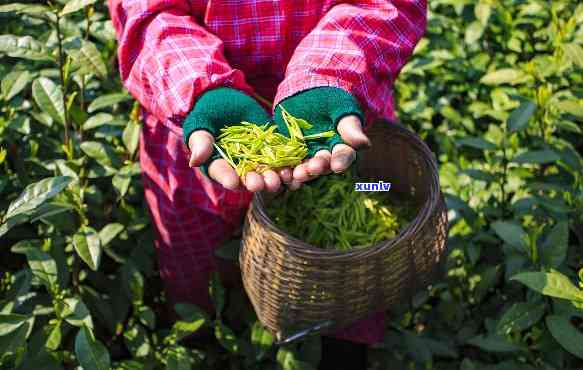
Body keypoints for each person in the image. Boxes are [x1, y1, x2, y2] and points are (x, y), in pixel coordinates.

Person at [108, 1, 426, 368]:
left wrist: (328, 77)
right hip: (197, 133)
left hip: (336, 122)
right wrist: (205, 91)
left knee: (363, 230)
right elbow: (147, 14)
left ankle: (343, 347)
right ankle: (203, 344)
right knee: (198, 270)